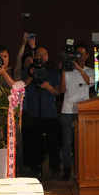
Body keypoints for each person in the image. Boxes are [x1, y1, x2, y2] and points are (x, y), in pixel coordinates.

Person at [22, 46, 62, 178]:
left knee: (53, 144)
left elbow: (59, 91)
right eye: (38, 54)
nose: (41, 57)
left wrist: (49, 87)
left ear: (48, 56)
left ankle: (55, 169)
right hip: (33, 114)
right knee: (34, 144)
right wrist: (30, 77)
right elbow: (21, 88)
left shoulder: (54, 73)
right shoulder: (28, 71)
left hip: (49, 113)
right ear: (34, 57)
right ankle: (35, 169)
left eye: (44, 54)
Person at [59, 43, 94, 181]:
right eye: (77, 54)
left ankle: (83, 169)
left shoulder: (90, 70)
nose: (79, 56)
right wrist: (63, 70)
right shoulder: (67, 71)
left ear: (87, 56)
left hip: (83, 109)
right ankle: (67, 169)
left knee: (83, 142)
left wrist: (79, 68)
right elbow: (62, 90)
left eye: (82, 54)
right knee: (67, 143)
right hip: (67, 109)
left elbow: (90, 82)